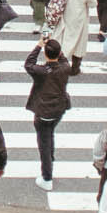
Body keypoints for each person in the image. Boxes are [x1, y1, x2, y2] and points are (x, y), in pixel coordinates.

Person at [25, 36, 71, 191]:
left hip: (44, 111)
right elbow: (62, 58)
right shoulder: (65, 67)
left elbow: (28, 64)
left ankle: (47, 177)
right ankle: (50, 158)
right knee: (50, 133)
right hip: (59, 109)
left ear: (45, 54)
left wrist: (39, 45)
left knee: (43, 142)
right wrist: (54, 47)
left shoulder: (42, 71)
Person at [53, 0, 97, 76]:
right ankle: (75, 68)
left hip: (64, 15)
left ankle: (60, 63)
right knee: (79, 44)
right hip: (79, 18)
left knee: (63, 39)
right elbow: (92, 4)